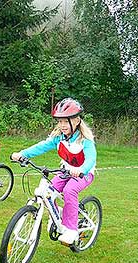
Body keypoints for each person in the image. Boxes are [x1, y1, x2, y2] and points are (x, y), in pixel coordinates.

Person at [11, 98, 96, 244]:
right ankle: (59, 215)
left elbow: (91, 158)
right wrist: (22, 154)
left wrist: (81, 169)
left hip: (84, 174)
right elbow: (41, 147)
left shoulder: (85, 140)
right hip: (65, 171)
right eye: (60, 121)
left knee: (69, 190)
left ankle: (71, 230)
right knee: (47, 192)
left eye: (65, 121)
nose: (62, 125)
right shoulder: (59, 138)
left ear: (76, 120)